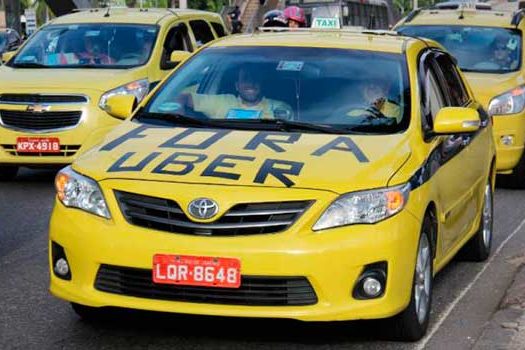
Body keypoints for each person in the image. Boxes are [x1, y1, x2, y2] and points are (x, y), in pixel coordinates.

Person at [182, 64, 293, 120]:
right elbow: (183, 98)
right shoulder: (223, 101)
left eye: (255, 79)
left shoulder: (278, 107)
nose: (251, 84)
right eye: (245, 79)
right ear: (237, 86)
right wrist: (177, 123)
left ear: (261, 84)